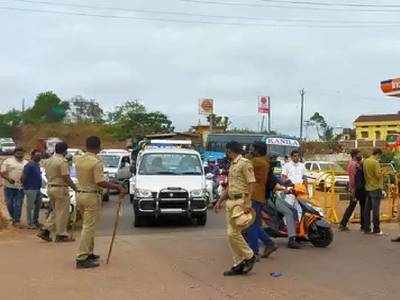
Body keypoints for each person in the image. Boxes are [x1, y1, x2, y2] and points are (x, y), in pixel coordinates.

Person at [74, 136, 127, 269]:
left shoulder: (78, 159)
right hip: (91, 196)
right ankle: (81, 257)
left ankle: (89, 252)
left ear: (86, 146)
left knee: (88, 226)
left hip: (80, 194)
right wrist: (117, 187)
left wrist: (113, 183)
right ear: (98, 147)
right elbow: (100, 182)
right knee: (88, 227)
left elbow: (95, 179)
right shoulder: (96, 162)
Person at [214, 141, 257, 277]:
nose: (226, 153)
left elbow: (251, 183)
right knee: (231, 235)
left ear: (231, 150)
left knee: (232, 233)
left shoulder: (244, 163)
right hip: (231, 202)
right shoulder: (232, 165)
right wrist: (219, 201)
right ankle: (238, 263)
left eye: (227, 150)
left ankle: (249, 256)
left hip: (240, 201)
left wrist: (247, 203)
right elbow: (229, 186)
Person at [37, 142, 77, 242]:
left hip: (50, 187)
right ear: (65, 150)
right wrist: (75, 187)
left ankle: (45, 230)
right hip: (60, 188)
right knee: (63, 212)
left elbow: (45, 174)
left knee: (56, 211)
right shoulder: (62, 162)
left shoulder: (49, 160)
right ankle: (61, 234)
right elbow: (66, 177)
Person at [246, 142, 278, 260]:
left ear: (257, 151)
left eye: (252, 148)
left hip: (254, 195)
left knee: (251, 225)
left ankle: (253, 252)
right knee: (255, 224)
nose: (250, 150)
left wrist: (248, 154)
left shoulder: (257, 161)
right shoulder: (264, 160)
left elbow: (243, 163)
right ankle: (269, 243)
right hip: (259, 196)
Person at [339, 150, 367, 231]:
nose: (361, 155)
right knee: (354, 206)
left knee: (359, 206)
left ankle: (362, 225)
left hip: (357, 188)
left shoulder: (354, 164)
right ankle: (343, 224)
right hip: (356, 189)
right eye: (359, 154)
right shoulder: (353, 165)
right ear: (355, 155)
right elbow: (352, 179)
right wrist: (353, 190)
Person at [0, 147, 28, 227]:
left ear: (24, 154)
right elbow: (2, 173)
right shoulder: (8, 161)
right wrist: (9, 179)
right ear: (14, 153)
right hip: (9, 186)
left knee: (18, 204)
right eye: (18, 153)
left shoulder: (26, 163)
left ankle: (16, 220)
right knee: (9, 203)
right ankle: (12, 217)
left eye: (21, 153)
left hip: (20, 187)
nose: (20, 155)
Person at [363, 148, 384, 235]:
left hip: (368, 187)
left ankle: (366, 228)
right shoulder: (375, 163)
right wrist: (383, 172)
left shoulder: (366, 161)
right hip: (376, 187)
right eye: (379, 156)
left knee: (367, 209)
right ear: (378, 154)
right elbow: (378, 175)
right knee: (376, 209)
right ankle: (376, 229)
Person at [21, 150, 43, 229]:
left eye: (40, 155)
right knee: (30, 207)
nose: (39, 157)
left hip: (37, 188)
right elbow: (23, 177)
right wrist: (24, 186)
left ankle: (35, 221)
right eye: (37, 155)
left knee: (38, 206)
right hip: (30, 188)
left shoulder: (37, 165)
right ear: (32, 156)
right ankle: (30, 223)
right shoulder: (29, 165)